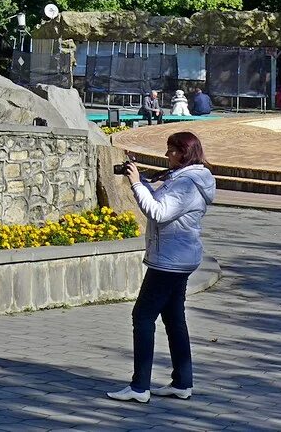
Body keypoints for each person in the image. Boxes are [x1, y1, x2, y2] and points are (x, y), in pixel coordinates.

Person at [108, 132, 216, 403]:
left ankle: (139, 387)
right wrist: (144, 181)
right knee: (174, 318)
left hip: (170, 261)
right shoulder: (182, 179)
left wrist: (135, 185)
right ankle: (182, 382)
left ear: (184, 153)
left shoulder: (187, 184)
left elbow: (158, 212)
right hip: (177, 258)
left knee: (142, 317)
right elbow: (163, 204)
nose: (167, 155)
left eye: (171, 151)